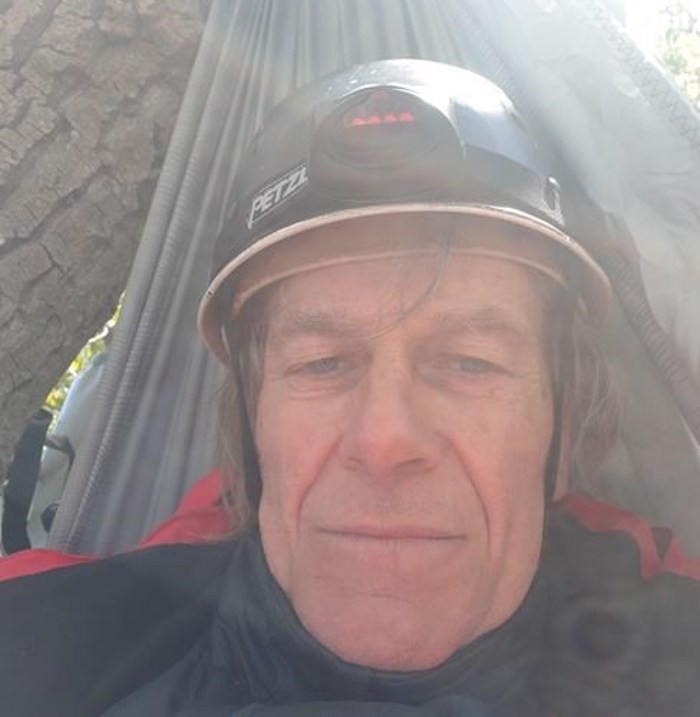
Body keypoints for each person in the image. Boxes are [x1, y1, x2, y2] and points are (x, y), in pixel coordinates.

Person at [1, 59, 699, 717]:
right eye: (322, 363)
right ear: (250, 424)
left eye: (469, 362)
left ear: (562, 416)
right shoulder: (39, 646)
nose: (384, 438)